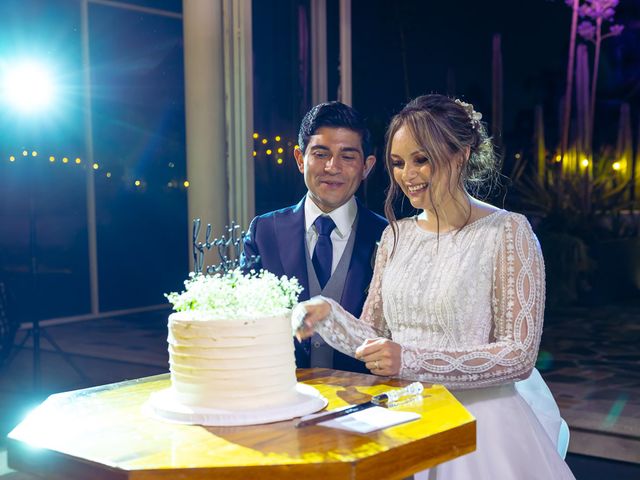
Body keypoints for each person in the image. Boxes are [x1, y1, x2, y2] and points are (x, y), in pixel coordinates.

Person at [294, 94, 576, 479]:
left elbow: (518, 356)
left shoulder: (507, 232)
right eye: (397, 162)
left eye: (421, 159)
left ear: (460, 154)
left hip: (479, 430)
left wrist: (410, 361)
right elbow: (374, 337)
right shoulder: (396, 237)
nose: (407, 174)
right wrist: (326, 313)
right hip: (406, 421)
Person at [242, 101, 387, 373]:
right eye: (321, 154)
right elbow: (246, 322)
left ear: (366, 166)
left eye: (347, 156)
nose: (332, 167)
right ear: (300, 159)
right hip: (281, 394)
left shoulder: (388, 237)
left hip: (366, 401)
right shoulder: (264, 232)